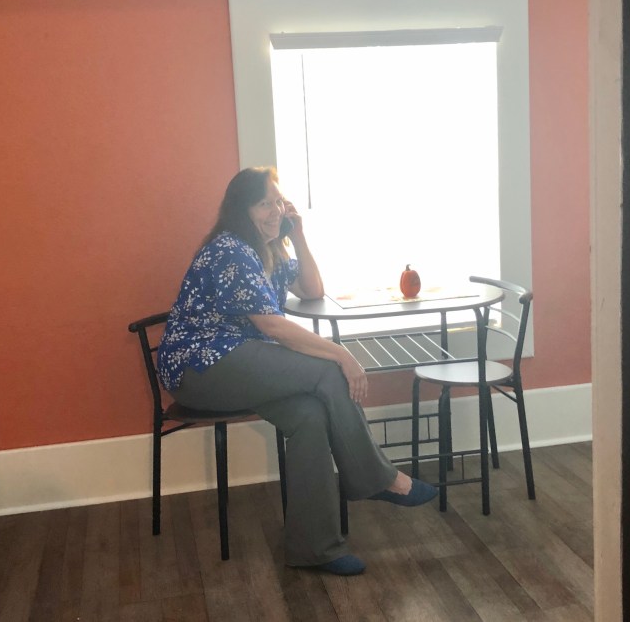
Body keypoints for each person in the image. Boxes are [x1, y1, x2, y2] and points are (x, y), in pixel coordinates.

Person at [157, 166, 437, 576]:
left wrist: (298, 235)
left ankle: (314, 548)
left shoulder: (266, 250)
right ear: (240, 210)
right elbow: (273, 327)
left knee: (310, 415)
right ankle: (378, 479)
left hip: (240, 363)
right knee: (328, 371)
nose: (274, 211)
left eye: (277, 202)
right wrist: (342, 355)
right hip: (201, 367)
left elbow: (312, 289)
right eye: (263, 204)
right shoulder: (231, 249)